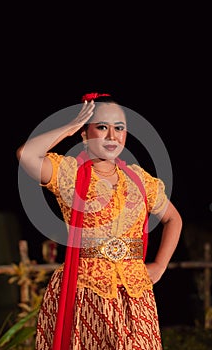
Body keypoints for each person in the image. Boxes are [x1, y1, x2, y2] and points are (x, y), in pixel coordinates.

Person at [16, 92, 182, 350]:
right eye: (102, 127)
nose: (112, 136)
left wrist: (159, 265)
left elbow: (173, 219)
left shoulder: (140, 180)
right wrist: (69, 127)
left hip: (134, 295)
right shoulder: (69, 174)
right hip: (85, 291)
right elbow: (26, 154)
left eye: (119, 128)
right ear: (85, 134)